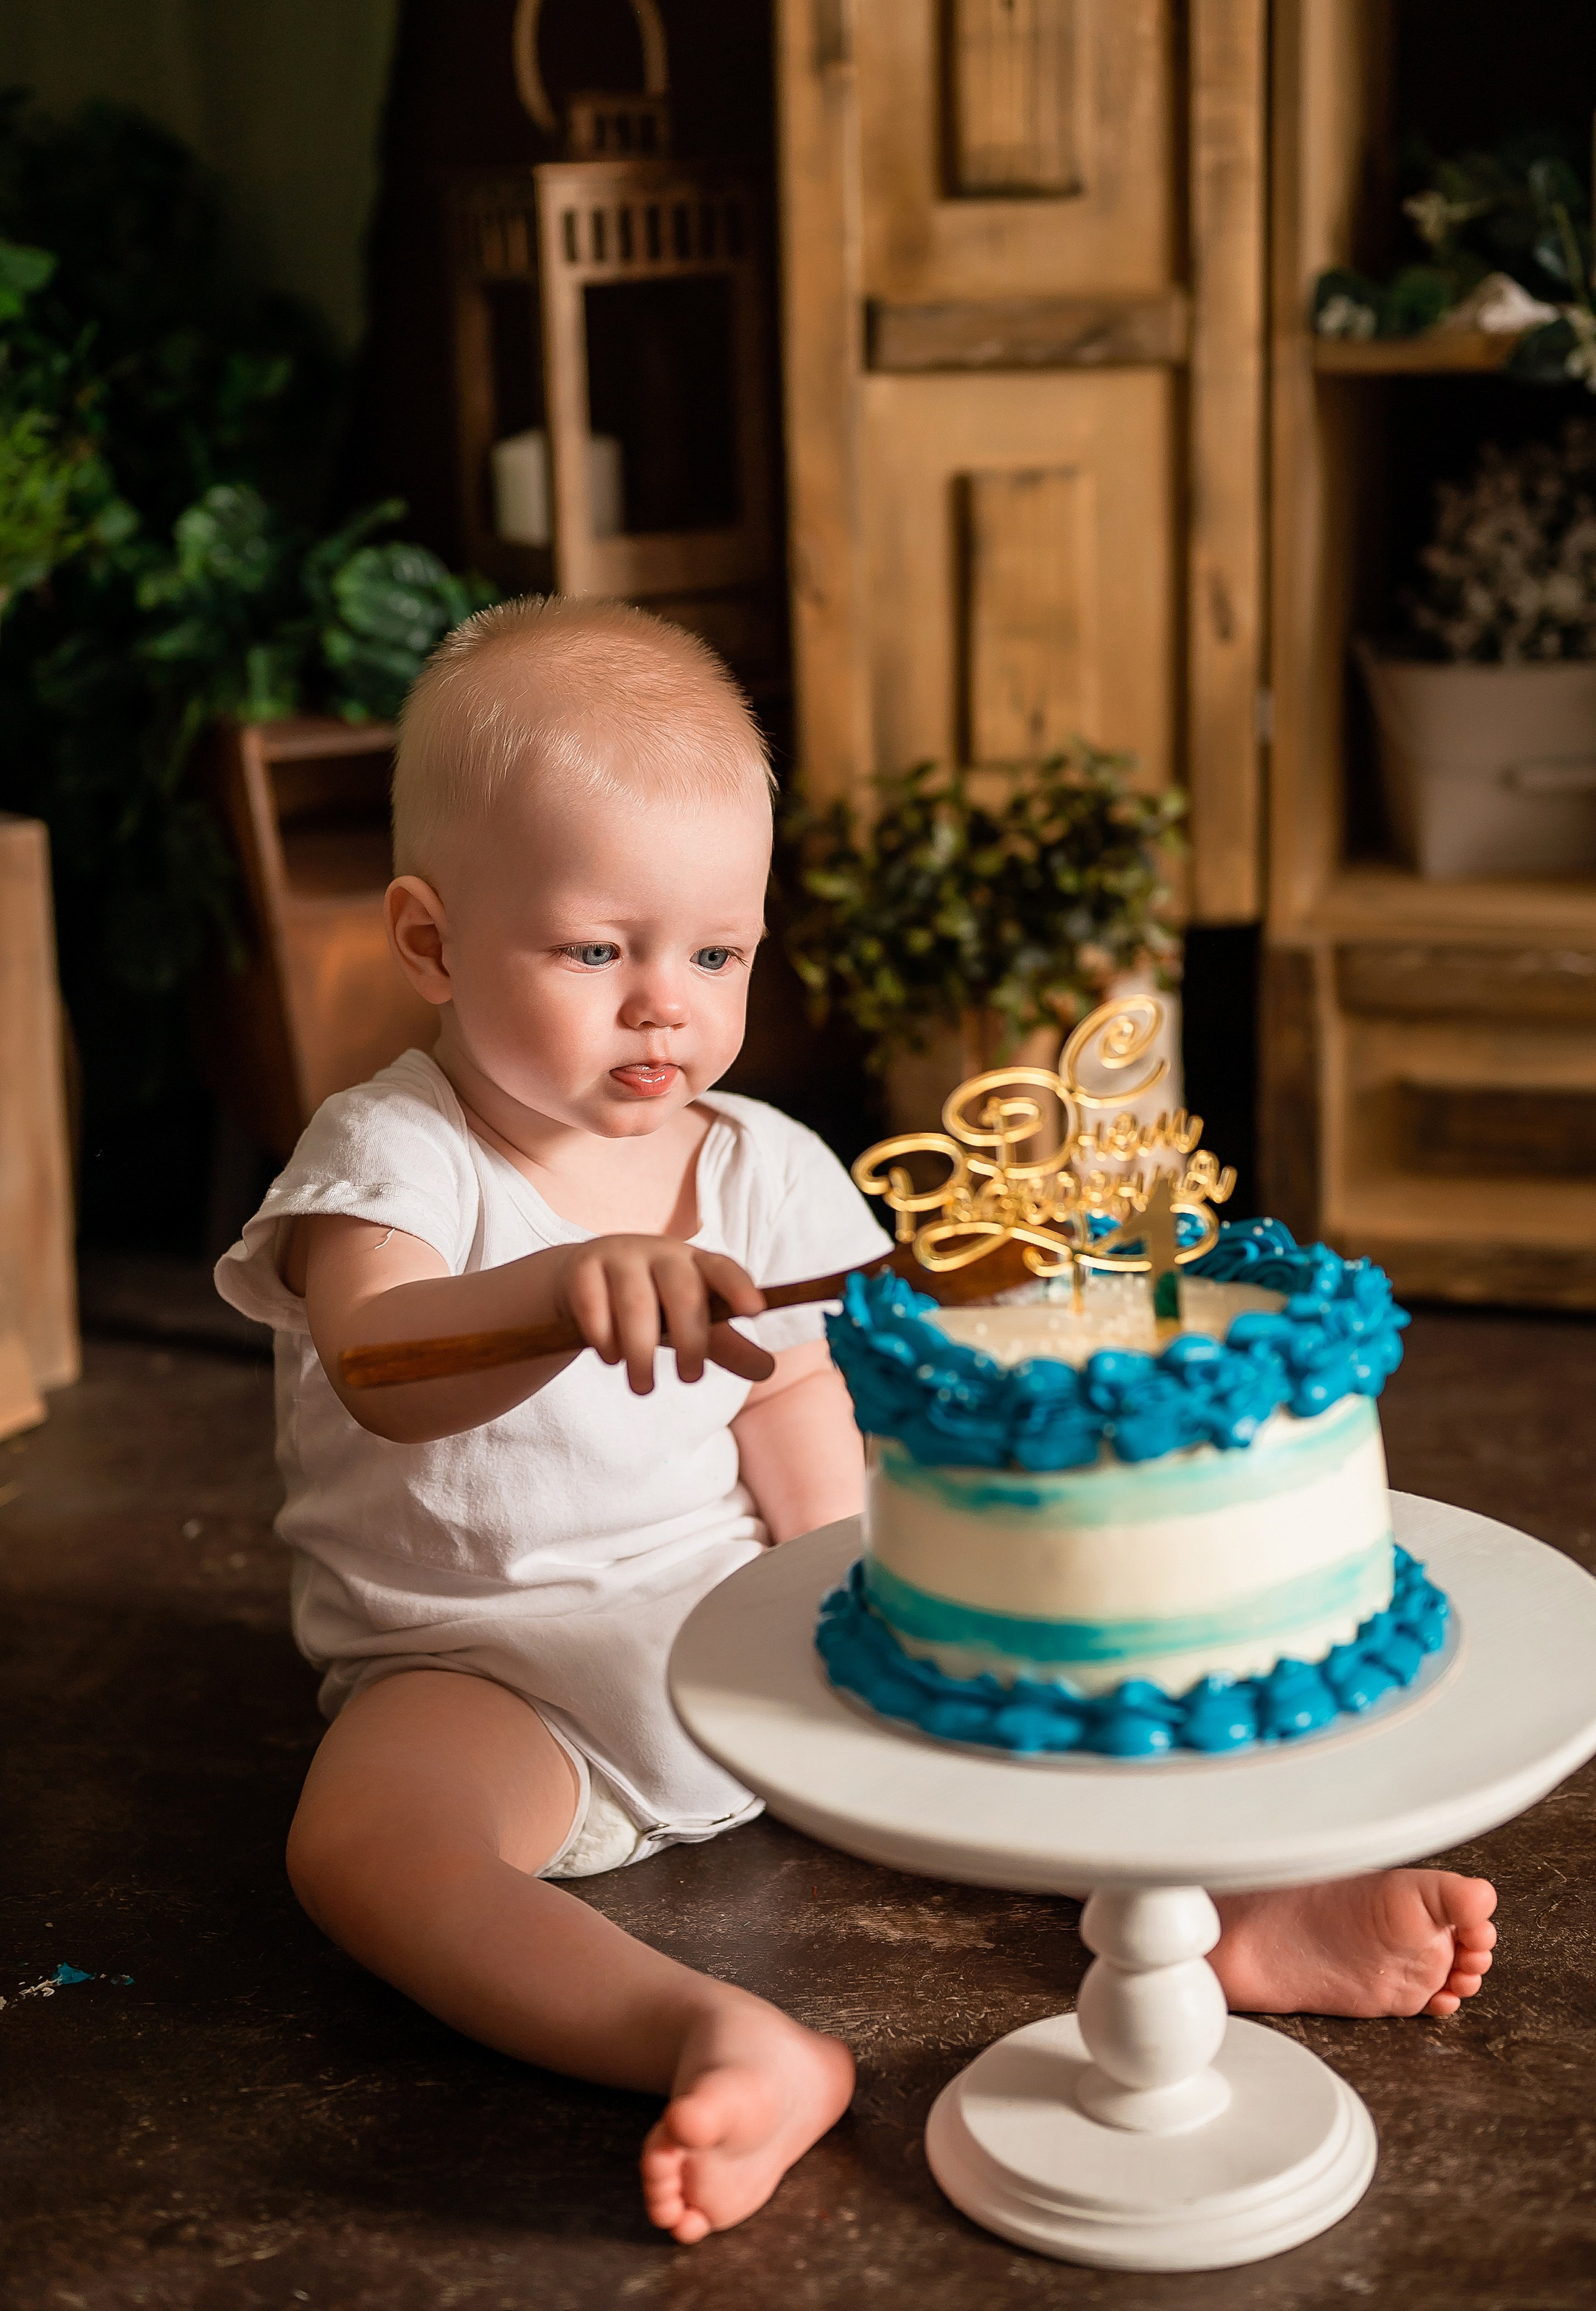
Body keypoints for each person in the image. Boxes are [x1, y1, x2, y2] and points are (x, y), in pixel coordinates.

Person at [216, 598, 1497, 2246]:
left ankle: (1221, 1913)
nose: (663, 1007)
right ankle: (710, 2029)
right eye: (596, 949)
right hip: (484, 1672)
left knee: (990, 1699)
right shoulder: (396, 1152)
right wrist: (554, 1294)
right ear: (429, 938)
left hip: (734, 1633)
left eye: (715, 953)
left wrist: (861, 1611)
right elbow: (381, 1361)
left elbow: (809, 1407)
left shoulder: (766, 1163)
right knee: (365, 1846)